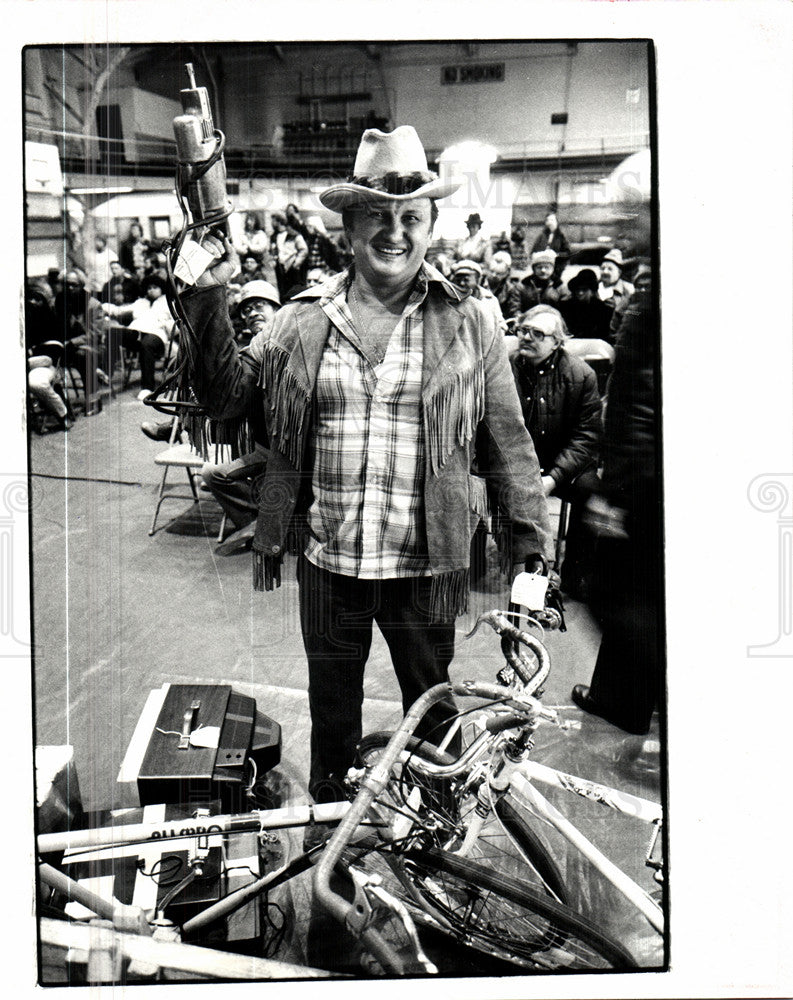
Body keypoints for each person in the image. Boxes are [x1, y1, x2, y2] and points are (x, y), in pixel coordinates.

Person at [178, 125, 553, 807]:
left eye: (410, 217)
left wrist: (529, 553)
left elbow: (509, 445)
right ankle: (331, 851)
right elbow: (225, 396)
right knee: (333, 722)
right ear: (347, 228)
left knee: (435, 715)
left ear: (429, 224)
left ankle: (437, 845)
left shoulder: (471, 322)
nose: (394, 232)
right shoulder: (300, 322)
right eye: (376, 217)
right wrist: (206, 295)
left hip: (426, 566)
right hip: (332, 567)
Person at [571, 272, 661, 735]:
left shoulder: (650, 306)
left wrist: (615, 492)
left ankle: (627, 699)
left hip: (641, 480)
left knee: (612, 590)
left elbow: (638, 406)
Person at [508, 305, 602, 593]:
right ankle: (481, 569)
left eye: (538, 333)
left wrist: (554, 477)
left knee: (591, 494)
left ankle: (574, 575)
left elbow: (586, 436)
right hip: (518, 460)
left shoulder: (581, 375)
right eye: (523, 330)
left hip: (563, 464)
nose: (526, 337)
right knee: (472, 485)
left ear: (557, 341)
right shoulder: (504, 367)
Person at [200, 279, 282, 554]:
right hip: (265, 448)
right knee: (212, 474)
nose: (253, 313)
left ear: (277, 309)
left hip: (300, 449)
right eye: (247, 310)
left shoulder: (297, 342)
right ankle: (257, 522)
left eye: (260, 306)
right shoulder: (245, 355)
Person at [102, 274, 174, 399]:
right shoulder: (141, 302)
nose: (151, 290)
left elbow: (176, 323)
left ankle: (147, 387)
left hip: (156, 334)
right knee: (112, 333)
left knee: (147, 344)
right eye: (149, 287)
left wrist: (164, 326)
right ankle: (106, 373)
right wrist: (103, 306)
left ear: (162, 288)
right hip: (136, 332)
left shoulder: (168, 302)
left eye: (155, 287)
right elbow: (120, 310)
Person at [53, 269, 105, 412]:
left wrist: (72, 342)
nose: (70, 288)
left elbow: (95, 334)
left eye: (74, 285)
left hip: (90, 346)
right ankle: (61, 408)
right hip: (65, 347)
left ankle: (94, 400)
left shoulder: (93, 304)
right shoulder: (59, 302)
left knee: (83, 357)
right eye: (66, 284)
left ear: (81, 285)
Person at [449, 259, 506, 333]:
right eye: (458, 280)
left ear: (478, 280)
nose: (462, 283)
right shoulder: (450, 298)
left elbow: (500, 325)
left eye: (466, 280)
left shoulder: (489, 299)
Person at [559, 268, 615, 342]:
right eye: (578, 289)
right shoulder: (565, 307)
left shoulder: (603, 310)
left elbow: (604, 335)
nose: (580, 293)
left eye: (584, 290)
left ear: (592, 291)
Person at [270, 212, 308, 299]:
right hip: (280, 267)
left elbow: (303, 249)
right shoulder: (273, 236)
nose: (272, 223)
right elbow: (272, 251)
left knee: (294, 290)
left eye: (273, 221)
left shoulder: (293, 235)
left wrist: (296, 263)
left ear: (279, 221)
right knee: (282, 291)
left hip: (292, 267)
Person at [531, 210, 571, 279]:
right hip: (542, 264)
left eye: (552, 220)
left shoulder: (561, 236)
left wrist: (556, 254)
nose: (549, 222)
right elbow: (534, 250)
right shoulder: (542, 236)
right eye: (547, 220)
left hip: (556, 266)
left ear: (557, 222)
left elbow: (568, 253)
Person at [485, 250, 521, 321]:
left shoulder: (511, 287)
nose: (494, 275)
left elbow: (513, 308)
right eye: (492, 271)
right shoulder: (480, 282)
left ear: (507, 272)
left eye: (499, 273)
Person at [597, 248, 634, 312]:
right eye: (602, 268)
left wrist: (619, 309)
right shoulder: (594, 288)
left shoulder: (630, 290)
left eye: (610, 269)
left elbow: (637, 314)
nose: (605, 272)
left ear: (619, 272)